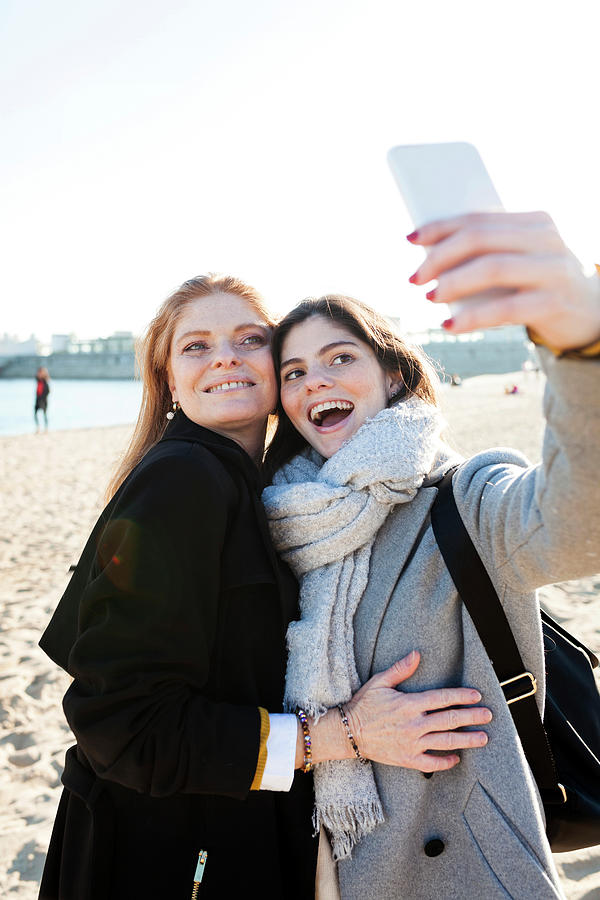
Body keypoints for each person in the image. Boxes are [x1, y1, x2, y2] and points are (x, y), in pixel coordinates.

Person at [38, 274, 491, 900]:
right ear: (171, 382)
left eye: (248, 339)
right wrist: (338, 736)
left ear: (279, 372)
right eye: (195, 346)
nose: (224, 356)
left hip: (221, 835)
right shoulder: (184, 481)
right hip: (167, 854)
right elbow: (119, 722)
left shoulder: (271, 493)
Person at [262, 211, 600, 900]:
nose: (315, 379)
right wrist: (347, 734)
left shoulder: (463, 499)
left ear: (391, 374)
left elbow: (577, 523)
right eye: (294, 371)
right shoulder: (282, 521)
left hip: (464, 870)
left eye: (341, 357)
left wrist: (581, 346)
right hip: (321, 867)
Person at [34, 366, 50, 431]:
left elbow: (48, 391)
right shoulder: (38, 380)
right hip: (37, 400)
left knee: (44, 414)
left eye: (40, 372)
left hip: (43, 400)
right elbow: (36, 377)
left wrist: (43, 398)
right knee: (35, 414)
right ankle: (38, 427)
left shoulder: (45, 381)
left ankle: (46, 428)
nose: (39, 374)